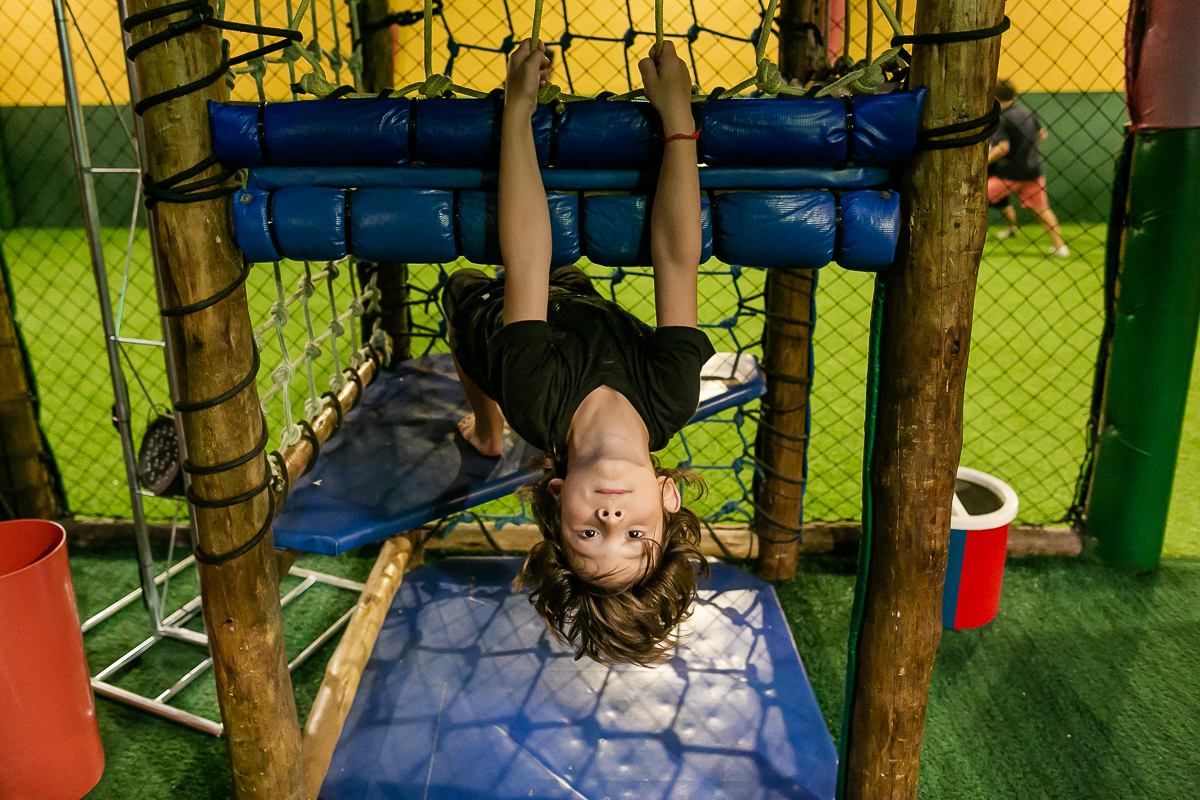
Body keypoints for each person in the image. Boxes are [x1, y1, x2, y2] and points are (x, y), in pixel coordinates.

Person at [441, 38, 713, 665]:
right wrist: (677, 120)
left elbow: (527, 255)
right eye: (635, 533)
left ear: (559, 497)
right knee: (568, 281)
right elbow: (677, 258)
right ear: (669, 498)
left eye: (591, 532)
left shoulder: (537, 399)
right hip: (575, 302)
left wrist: (517, 110)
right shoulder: (671, 396)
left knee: (460, 298)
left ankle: (487, 426)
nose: (612, 517)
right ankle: (485, 428)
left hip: (494, 320)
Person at [987, 79, 1069, 257]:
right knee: (1042, 209)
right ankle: (1060, 247)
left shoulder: (1002, 117)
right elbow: (1042, 134)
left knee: (975, 200)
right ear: (1014, 95)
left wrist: (982, 162)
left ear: (993, 96)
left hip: (1008, 175)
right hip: (1033, 172)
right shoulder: (1027, 113)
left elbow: (1003, 147)